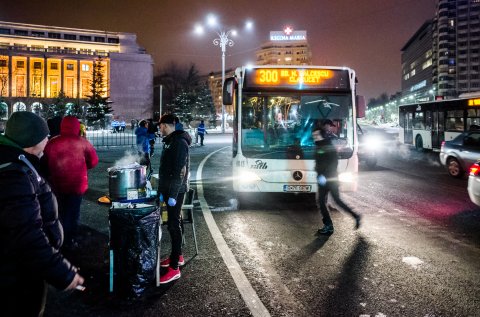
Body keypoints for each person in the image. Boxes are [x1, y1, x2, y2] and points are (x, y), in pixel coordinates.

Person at [0, 111, 84, 316]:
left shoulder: (19, 162)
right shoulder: (13, 174)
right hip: (17, 276)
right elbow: (27, 234)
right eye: (45, 136)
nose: (48, 140)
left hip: (21, 270)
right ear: (32, 139)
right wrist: (61, 272)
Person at [42, 116, 99, 251]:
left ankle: (58, 238)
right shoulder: (83, 142)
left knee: (59, 211)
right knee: (73, 212)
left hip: (57, 184)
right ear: (76, 126)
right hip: (76, 184)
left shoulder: (52, 142)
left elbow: (44, 162)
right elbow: (93, 161)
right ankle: (70, 239)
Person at [157, 114, 191, 284]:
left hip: (175, 191)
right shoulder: (171, 140)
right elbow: (166, 169)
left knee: (173, 225)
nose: (159, 129)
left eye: (160, 126)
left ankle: (174, 268)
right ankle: (177, 257)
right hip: (170, 189)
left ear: (165, 125)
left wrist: (171, 194)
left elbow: (180, 170)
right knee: (175, 221)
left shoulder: (178, 143)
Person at [313, 119, 361, 235]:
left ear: (321, 135)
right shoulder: (321, 145)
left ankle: (329, 225)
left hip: (328, 179)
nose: (314, 137)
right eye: (313, 135)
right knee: (334, 201)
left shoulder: (326, 145)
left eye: (316, 135)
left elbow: (332, 163)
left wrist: (323, 176)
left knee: (323, 201)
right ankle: (355, 216)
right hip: (328, 179)